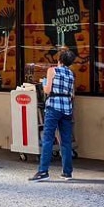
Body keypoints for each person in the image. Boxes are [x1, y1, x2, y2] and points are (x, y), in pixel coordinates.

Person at [29, 46, 77, 181]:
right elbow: (72, 94)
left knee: (48, 138)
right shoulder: (71, 74)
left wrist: (44, 83)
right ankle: (67, 172)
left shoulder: (52, 70)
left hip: (53, 106)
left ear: (59, 60)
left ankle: (43, 171)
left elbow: (47, 90)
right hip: (67, 108)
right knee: (66, 140)